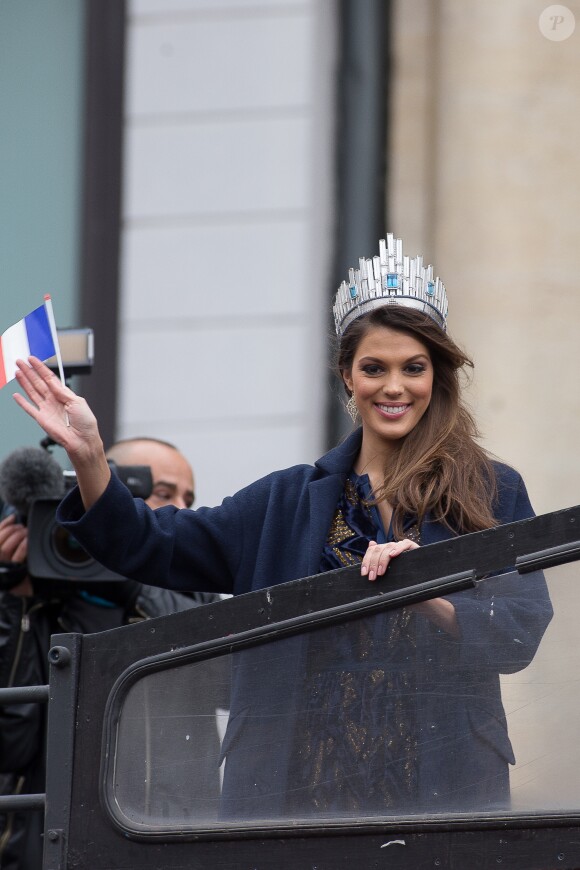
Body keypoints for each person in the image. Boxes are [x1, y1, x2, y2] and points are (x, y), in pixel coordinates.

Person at [10, 235, 553, 820]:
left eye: (413, 369)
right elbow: (151, 544)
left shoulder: (491, 490)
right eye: (374, 368)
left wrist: (427, 593)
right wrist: (91, 453)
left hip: (445, 797)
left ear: (435, 377)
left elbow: (519, 631)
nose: (394, 387)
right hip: (293, 809)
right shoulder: (284, 502)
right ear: (348, 376)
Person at [0, 438, 222, 870]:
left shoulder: (195, 587)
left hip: (169, 846)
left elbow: (207, 667)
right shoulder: (40, 594)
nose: (182, 509)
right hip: (44, 848)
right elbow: (10, 745)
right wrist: (15, 602)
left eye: (188, 498)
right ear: (100, 491)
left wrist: (131, 578)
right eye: (164, 494)